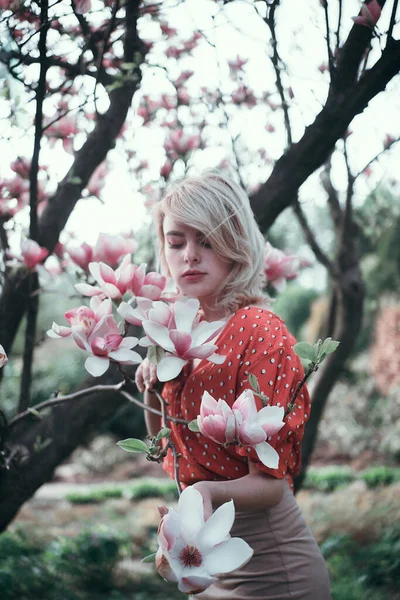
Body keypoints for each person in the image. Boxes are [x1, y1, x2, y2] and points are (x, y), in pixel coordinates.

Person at [135, 171, 331, 599]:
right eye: (176, 241)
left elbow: (271, 482)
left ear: (235, 245)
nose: (189, 255)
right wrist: (151, 387)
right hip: (206, 566)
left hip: (274, 570)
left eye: (206, 240)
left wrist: (205, 493)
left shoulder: (260, 332)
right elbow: (168, 454)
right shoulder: (176, 331)